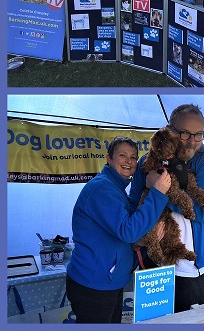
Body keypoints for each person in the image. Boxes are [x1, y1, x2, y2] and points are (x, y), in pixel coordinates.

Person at [129, 104, 204, 313]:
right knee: (154, 316)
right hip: (153, 256)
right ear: (170, 130)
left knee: (189, 317)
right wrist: (138, 239)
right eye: (185, 134)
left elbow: (200, 212)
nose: (193, 141)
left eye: (199, 135)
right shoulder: (147, 161)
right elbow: (133, 203)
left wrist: (158, 189)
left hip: (192, 264)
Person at [66, 137, 172, 323]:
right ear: (109, 158)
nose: (128, 161)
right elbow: (127, 231)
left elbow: (121, 231)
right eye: (122, 155)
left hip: (109, 282)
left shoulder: (115, 187)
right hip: (94, 286)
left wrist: (143, 240)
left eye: (133, 157)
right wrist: (157, 193)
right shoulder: (102, 188)